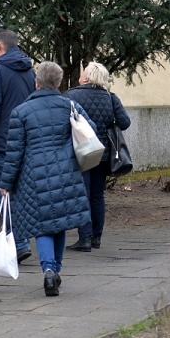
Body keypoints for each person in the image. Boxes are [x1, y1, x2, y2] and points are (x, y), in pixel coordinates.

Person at [0, 61, 93, 297]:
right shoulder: (70, 106)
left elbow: (14, 153)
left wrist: (6, 183)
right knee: (58, 223)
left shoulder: (21, 112)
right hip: (65, 173)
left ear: (36, 82)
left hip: (33, 176)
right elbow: (89, 131)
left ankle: (48, 268)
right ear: (59, 83)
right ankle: (55, 269)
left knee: (41, 227)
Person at [0, 29, 36, 264]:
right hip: (25, 140)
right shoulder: (29, 70)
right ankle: (21, 238)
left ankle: (18, 241)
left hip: (2, 140)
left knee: (3, 192)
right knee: (20, 192)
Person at [64, 61, 132, 251]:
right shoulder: (111, 97)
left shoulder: (71, 95)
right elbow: (125, 122)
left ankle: (84, 238)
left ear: (86, 77)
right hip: (103, 152)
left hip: (81, 151)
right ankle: (96, 238)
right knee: (97, 195)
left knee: (83, 194)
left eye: (82, 72)